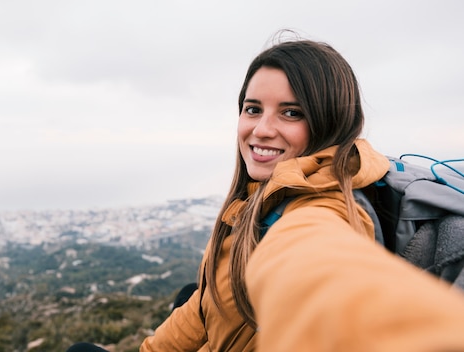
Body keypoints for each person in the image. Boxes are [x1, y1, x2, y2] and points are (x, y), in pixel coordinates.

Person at [68, 34, 464, 351]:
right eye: (253, 108)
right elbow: (207, 309)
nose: (260, 129)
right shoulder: (260, 194)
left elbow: (318, 266)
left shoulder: (325, 207)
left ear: (329, 122)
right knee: (190, 291)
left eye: (291, 113)